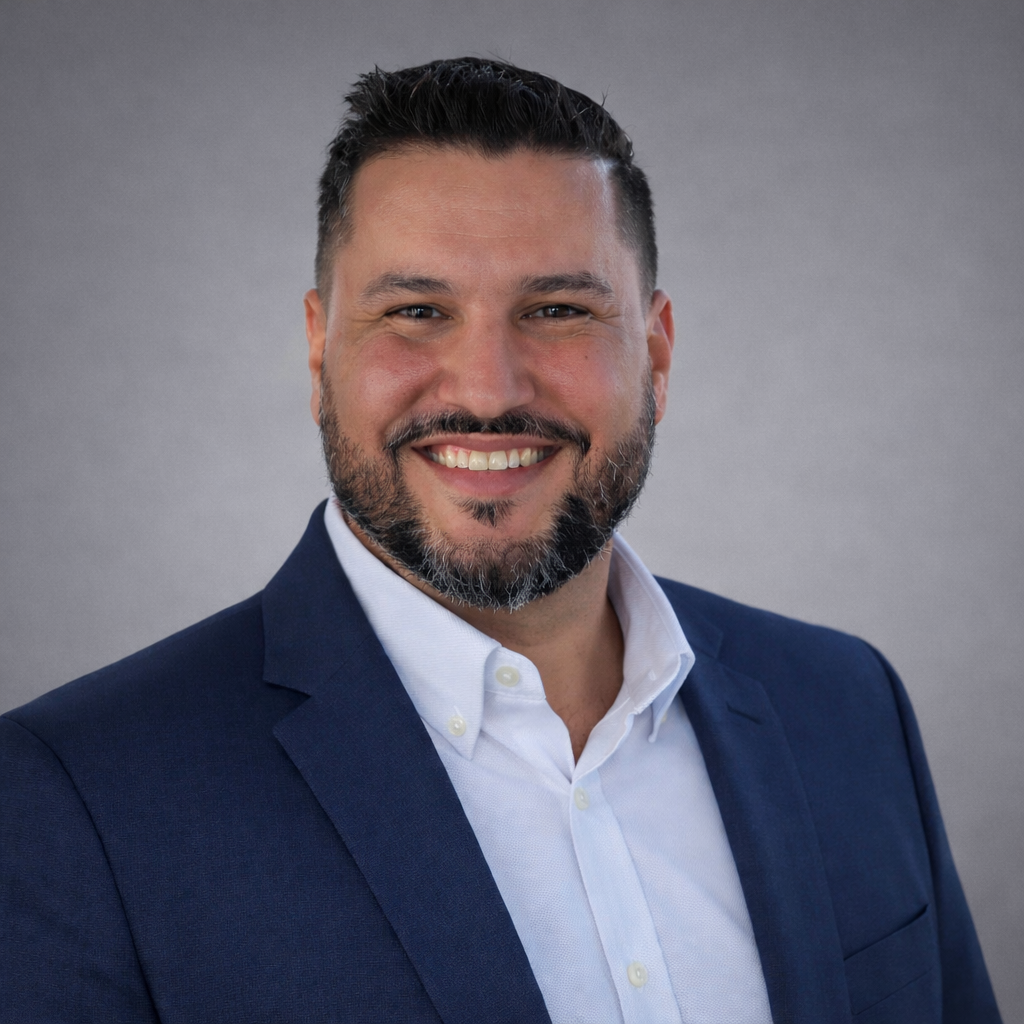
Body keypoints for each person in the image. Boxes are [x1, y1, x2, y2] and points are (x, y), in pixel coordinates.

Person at [0, 58, 1001, 1024]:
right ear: (318, 352)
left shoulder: (846, 704)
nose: (488, 389)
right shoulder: (80, 793)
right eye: (417, 311)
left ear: (653, 353)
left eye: (558, 309)